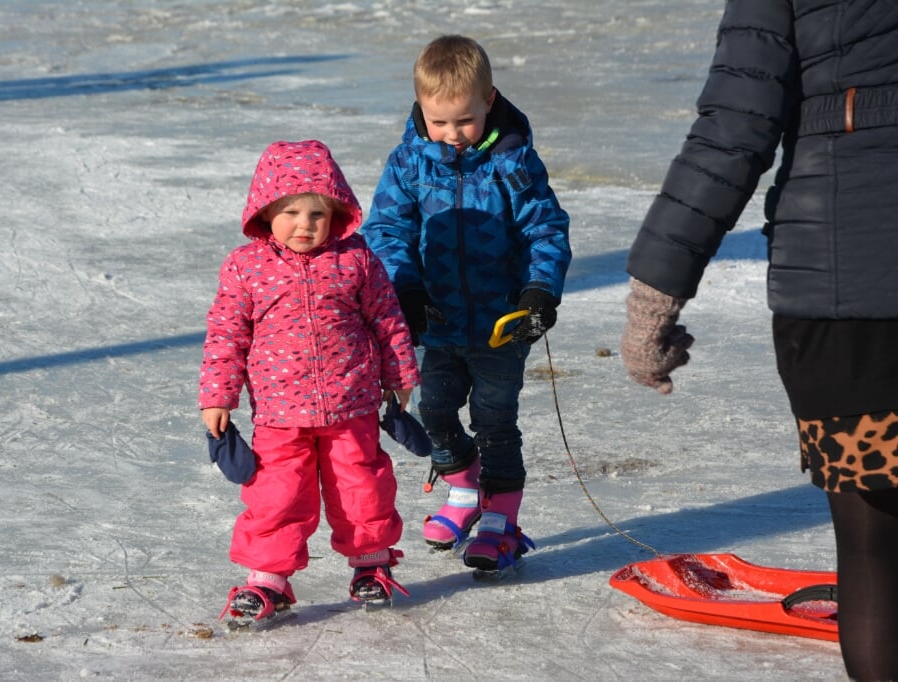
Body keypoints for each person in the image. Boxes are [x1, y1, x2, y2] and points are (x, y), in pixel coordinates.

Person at [620, 2, 898, 679]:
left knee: (875, 550)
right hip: (848, 285)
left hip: (844, 290)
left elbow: (734, 131)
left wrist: (655, 296)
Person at [363, 35, 572, 575]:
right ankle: (462, 489)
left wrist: (538, 293)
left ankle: (501, 518)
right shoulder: (410, 163)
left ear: (489, 101)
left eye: (464, 121)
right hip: (437, 321)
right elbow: (387, 230)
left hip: (502, 325)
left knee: (495, 419)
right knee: (432, 408)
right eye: (439, 122)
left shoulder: (514, 161)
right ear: (420, 111)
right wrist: (404, 290)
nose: (452, 134)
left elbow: (544, 230)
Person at [198, 140, 421, 626]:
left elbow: (387, 319)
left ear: (336, 213)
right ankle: (267, 580)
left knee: (361, 486)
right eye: (291, 212)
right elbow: (226, 333)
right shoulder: (246, 267)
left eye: (318, 214)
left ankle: (370, 566)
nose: (305, 225)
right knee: (276, 495)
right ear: (265, 211)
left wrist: (400, 374)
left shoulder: (356, 260)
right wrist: (218, 395)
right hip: (279, 413)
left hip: (352, 403)